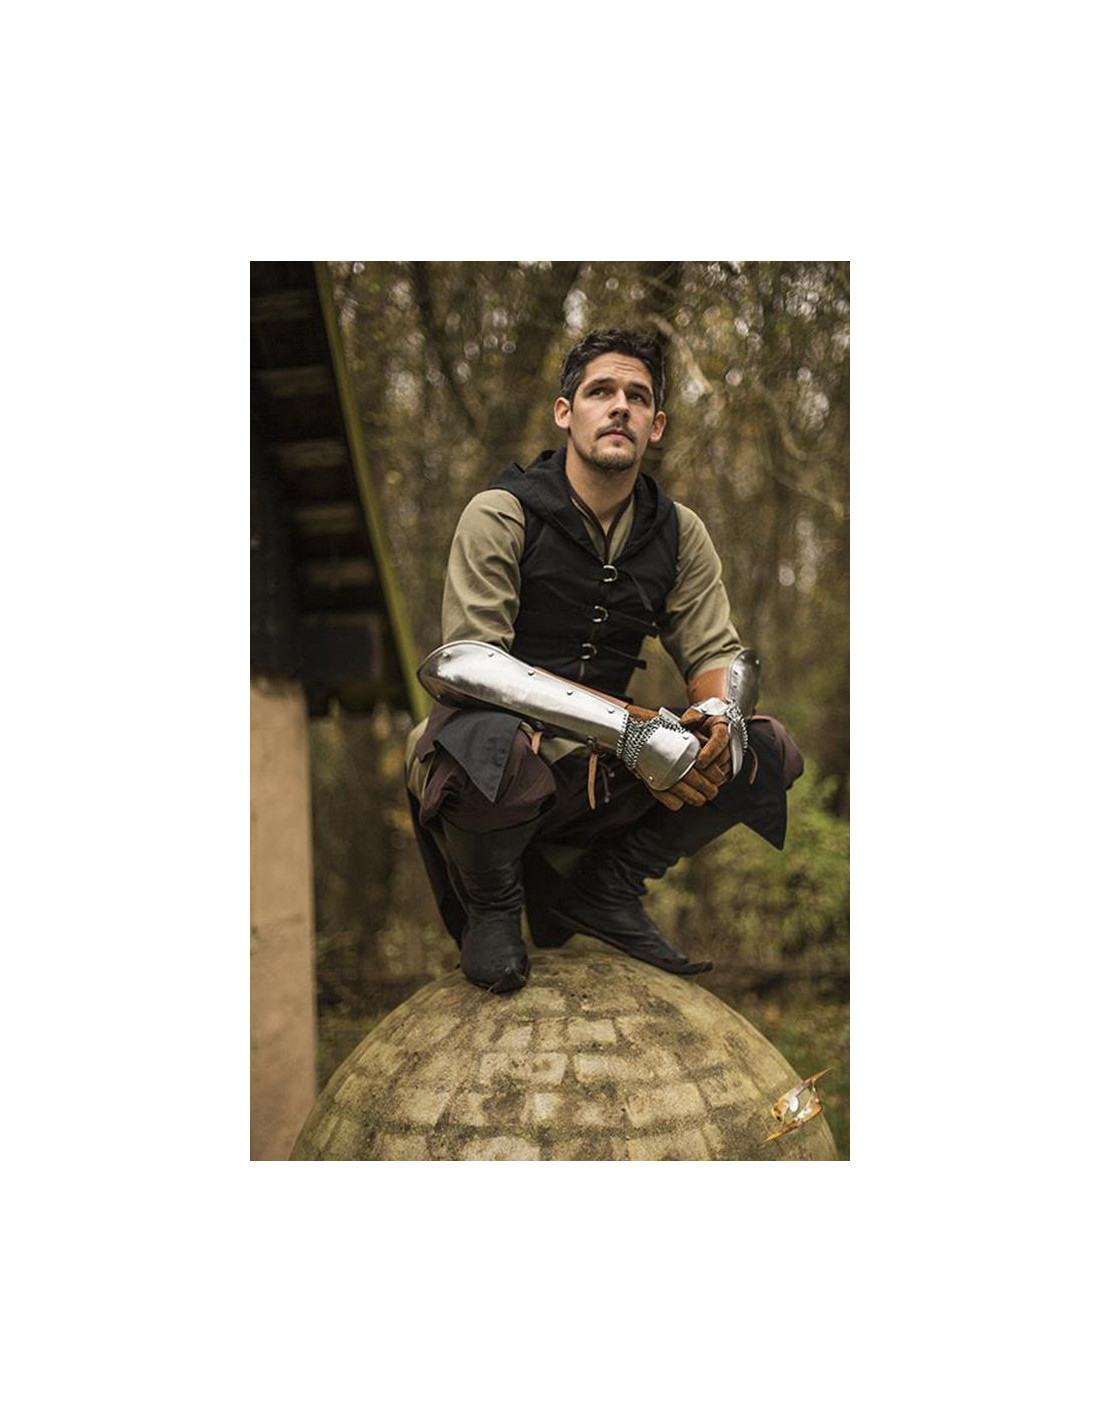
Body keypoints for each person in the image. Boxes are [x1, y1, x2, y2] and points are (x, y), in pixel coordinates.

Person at [405, 328, 803, 994]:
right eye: (601, 392)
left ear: (656, 425)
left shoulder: (679, 531)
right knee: (483, 737)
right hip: (497, 767)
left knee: (763, 748)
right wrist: (635, 733)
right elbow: (473, 667)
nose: (620, 406)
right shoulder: (501, 513)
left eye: (637, 397)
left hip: (602, 776)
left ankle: (606, 887)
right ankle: (492, 906)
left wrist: (716, 720)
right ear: (566, 412)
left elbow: (716, 651)